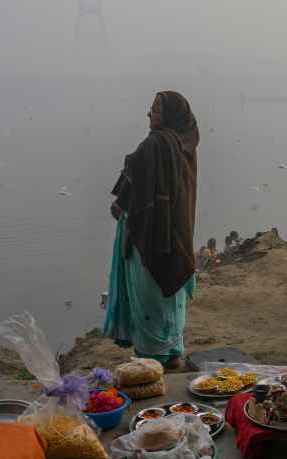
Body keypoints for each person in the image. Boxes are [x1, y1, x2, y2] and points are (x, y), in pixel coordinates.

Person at [103, 91, 199, 370]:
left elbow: (136, 176)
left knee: (148, 294)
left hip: (149, 237)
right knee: (169, 296)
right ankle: (171, 351)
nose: (149, 114)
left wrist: (121, 204)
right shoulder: (185, 144)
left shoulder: (156, 143)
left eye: (155, 110)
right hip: (176, 235)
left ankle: (151, 357)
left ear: (169, 115)